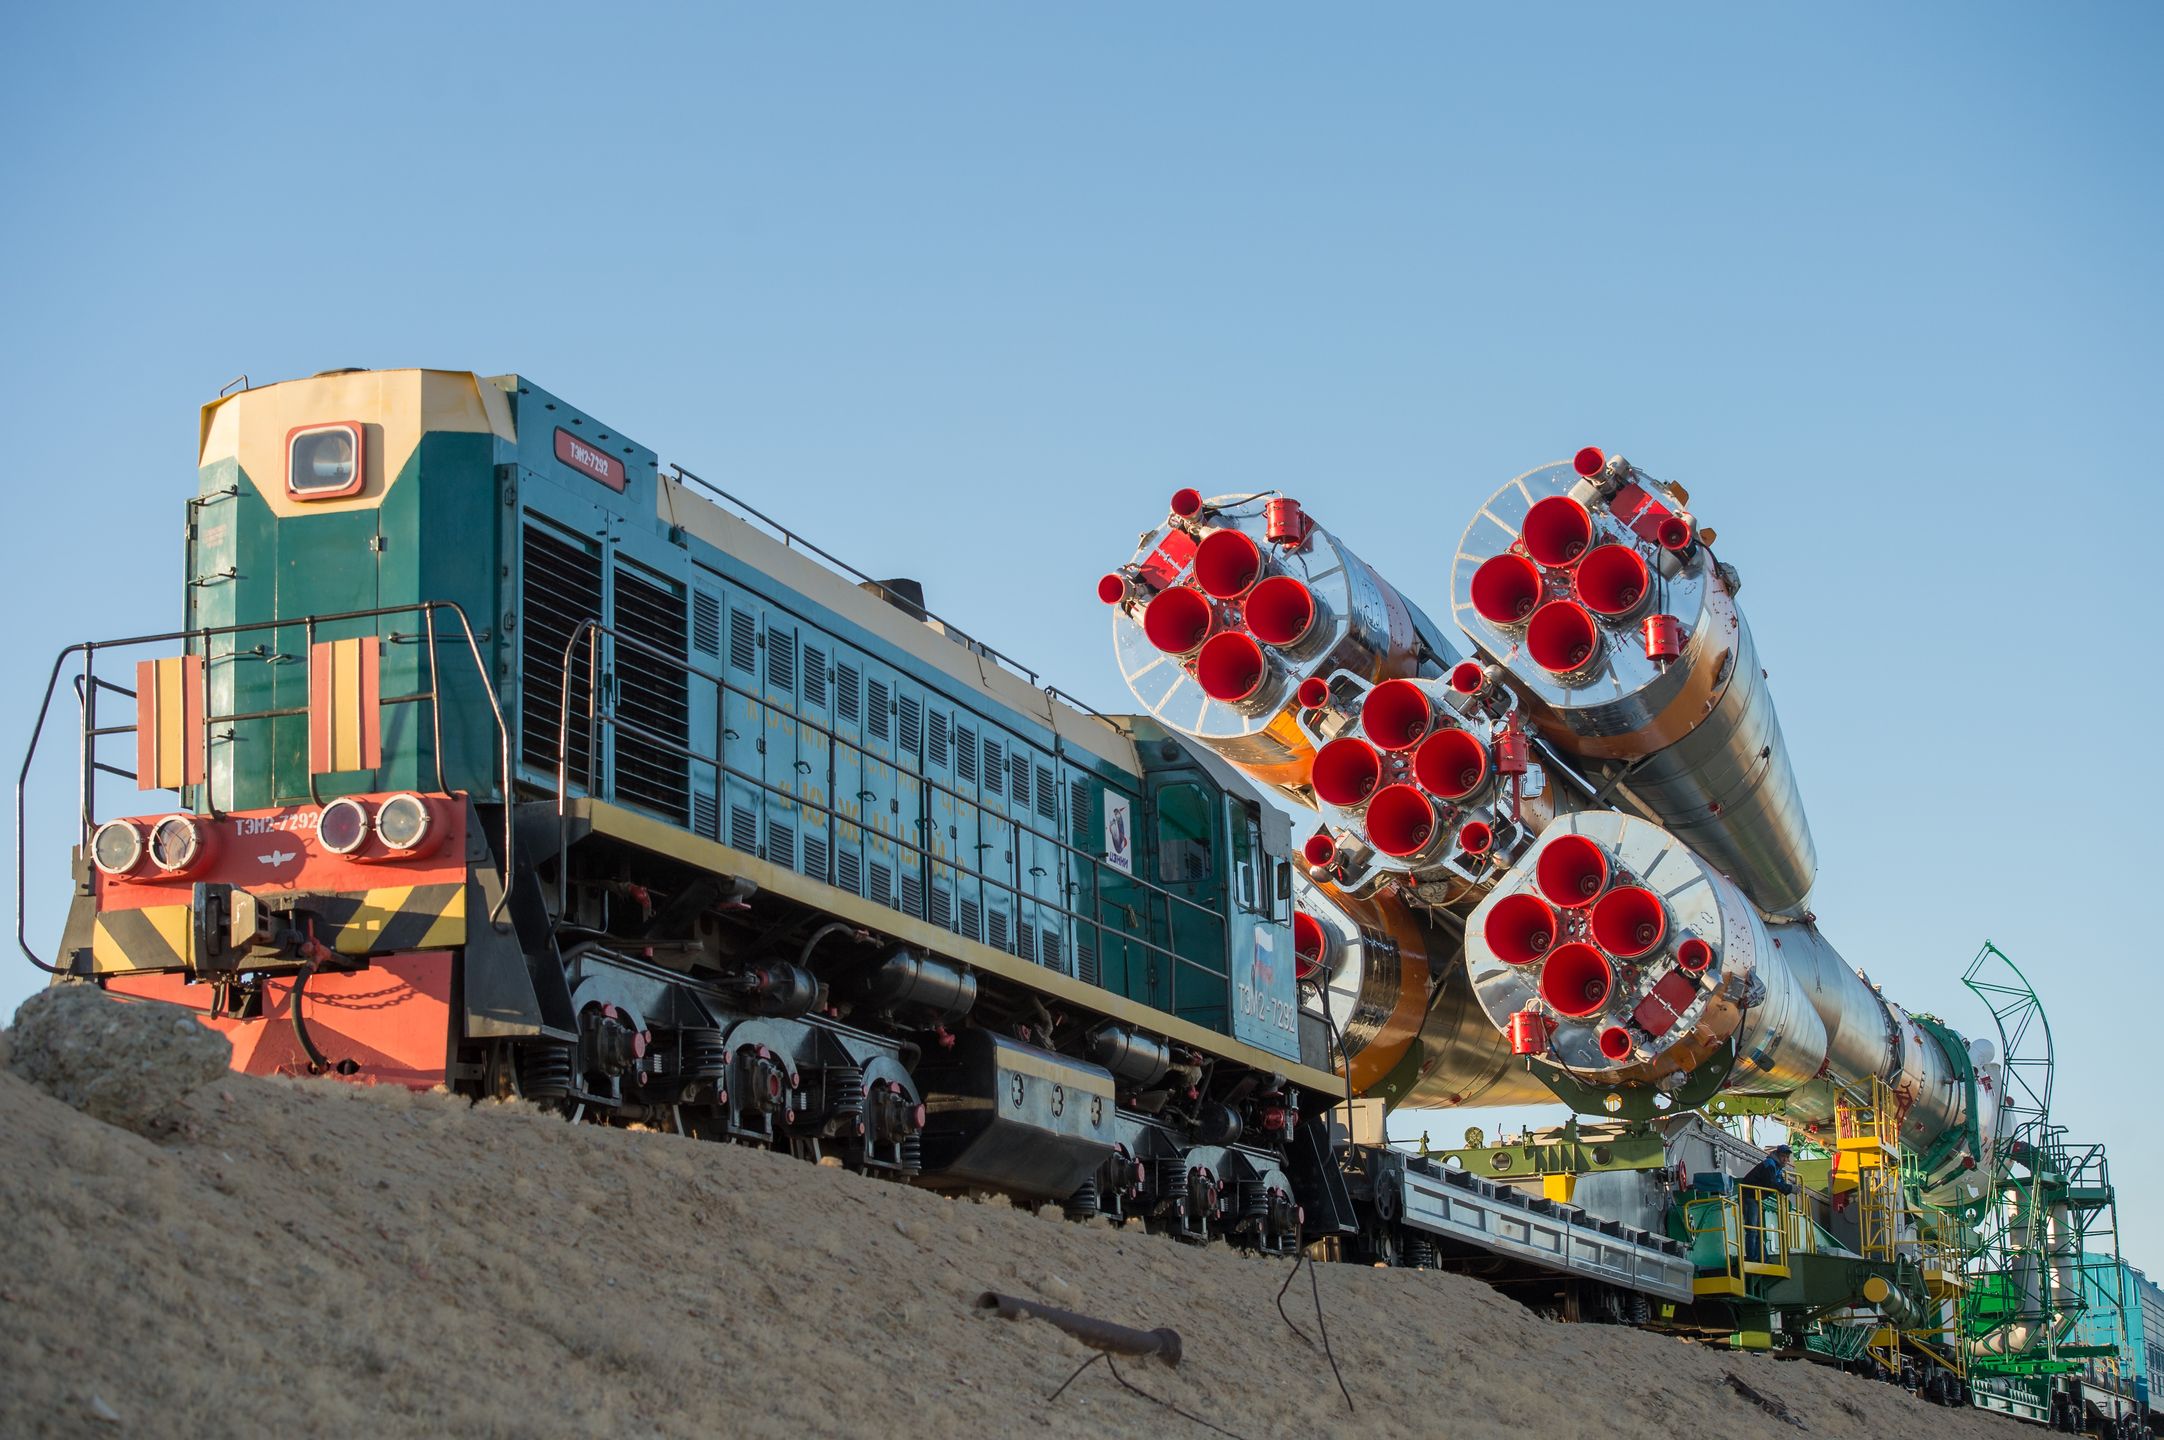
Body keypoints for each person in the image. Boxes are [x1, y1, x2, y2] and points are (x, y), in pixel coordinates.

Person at [1738, 1145, 1796, 1262]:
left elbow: (1780, 1183)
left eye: (1787, 1157)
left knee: (1758, 1230)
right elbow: (1771, 1183)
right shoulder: (1769, 1165)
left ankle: (1763, 1258)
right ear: (1777, 1155)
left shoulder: (1777, 1168)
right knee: (1752, 1230)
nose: (1785, 1159)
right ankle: (1752, 1258)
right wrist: (1790, 1188)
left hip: (1755, 1198)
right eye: (1783, 1156)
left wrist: (1789, 1188)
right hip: (1749, 1197)